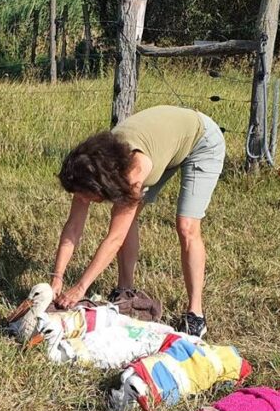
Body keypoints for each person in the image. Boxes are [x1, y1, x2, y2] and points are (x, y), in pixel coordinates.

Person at [50, 105, 226, 338]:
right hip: (164, 144)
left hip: (200, 139)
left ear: (100, 184)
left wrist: (80, 288)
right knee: (126, 216)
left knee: (186, 226)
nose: (81, 200)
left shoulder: (134, 172)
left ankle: (196, 315)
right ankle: (125, 291)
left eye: (84, 195)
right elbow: (73, 227)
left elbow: (115, 238)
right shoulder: (89, 167)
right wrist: (57, 277)